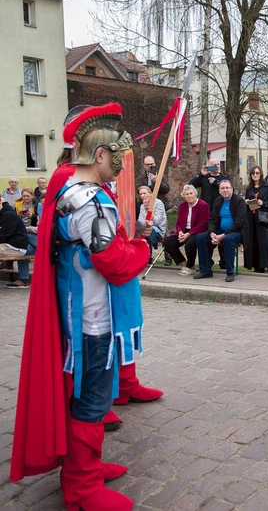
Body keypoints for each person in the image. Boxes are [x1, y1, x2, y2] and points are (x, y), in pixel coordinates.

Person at [11, 102, 145, 509]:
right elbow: (115, 262)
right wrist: (142, 245)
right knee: (91, 400)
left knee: (85, 396)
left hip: (76, 313)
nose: (122, 166)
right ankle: (82, 486)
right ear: (99, 154)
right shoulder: (91, 200)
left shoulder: (69, 191)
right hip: (92, 320)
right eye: (117, 157)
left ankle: (85, 468)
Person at [194, 179, 250, 282]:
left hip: (237, 232)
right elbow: (213, 219)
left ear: (232, 189)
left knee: (228, 239)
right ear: (219, 190)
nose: (225, 190)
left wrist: (223, 235)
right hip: (220, 230)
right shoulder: (218, 201)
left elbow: (239, 223)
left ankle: (229, 272)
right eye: (222, 188)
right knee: (200, 238)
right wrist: (212, 233)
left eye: (227, 188)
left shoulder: (239, 201)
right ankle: (206, 270)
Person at [164, 184, 209, 276]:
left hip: (198, 231)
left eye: (191, 193)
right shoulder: (182, 206)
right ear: (183, 196)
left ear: (195, 194)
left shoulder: (203, 205)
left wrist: (189, 234)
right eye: (187, 194)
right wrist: (180, 232)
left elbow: (203, 224)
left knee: (189, 244)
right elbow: (179, 222)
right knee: (168, 242)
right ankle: (184, 263)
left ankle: (191, 266)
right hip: (184, 230)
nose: (189, 196)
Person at [244, 165, 268, 273]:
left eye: (257, 173)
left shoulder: (267, 187)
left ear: (261, 174)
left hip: (263, 218)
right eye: (253, 173)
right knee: (254, 242)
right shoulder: (249, 189)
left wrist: (263, 203)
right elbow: (247, 201)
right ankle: (257, 266)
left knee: (266, 242)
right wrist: (246, 202)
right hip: (252, 218)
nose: (255, 175)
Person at [7, 188, 39, 289]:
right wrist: (18, 216)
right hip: (24, 233)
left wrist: (32, 216)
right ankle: (23, 279)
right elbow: (14, 221)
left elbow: (40, 223)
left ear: (32, 196)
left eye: (27, 196)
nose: (25, 198)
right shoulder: (18, 205)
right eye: (24, 196)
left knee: (23, 241)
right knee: (23, 249)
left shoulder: (37, 205)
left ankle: (23, 278)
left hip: (33, 233)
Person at [0, 199, 28, 286]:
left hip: (16, 247)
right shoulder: (3, 213)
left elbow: (3, 236)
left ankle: (23, 279)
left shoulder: (8, 215)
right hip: (8, 244)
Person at [137, 185, 167, 264]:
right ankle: (143, 257)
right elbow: (140, 220)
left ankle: (147, 255)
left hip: (158, 228)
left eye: (144, 193)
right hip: (145, 228)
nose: (142, 196)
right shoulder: (142, 206)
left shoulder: (158, 203)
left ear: (150, 194)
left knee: (148, 231)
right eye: (141, 194)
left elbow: (158, 221)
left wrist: (148, 209)